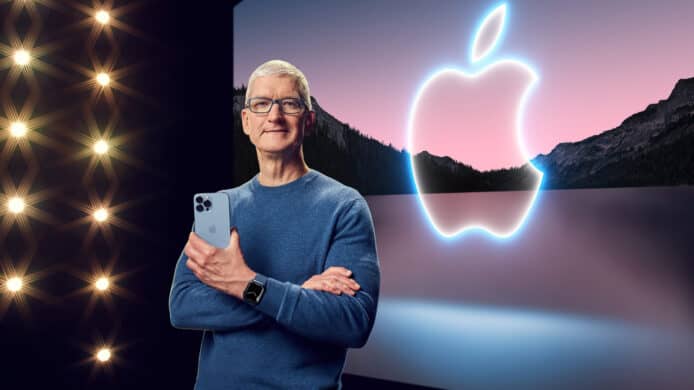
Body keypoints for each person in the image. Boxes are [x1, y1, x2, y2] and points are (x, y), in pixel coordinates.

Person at [169, 59, 381, 389]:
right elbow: (183, 306)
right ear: (246, 121)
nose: (274, 116)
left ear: (309, 121)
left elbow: (352, 322)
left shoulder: (345, 206)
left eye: (290, 104)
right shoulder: (218, 208)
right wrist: (296, 294)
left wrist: (244, 284)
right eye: (261, 104)